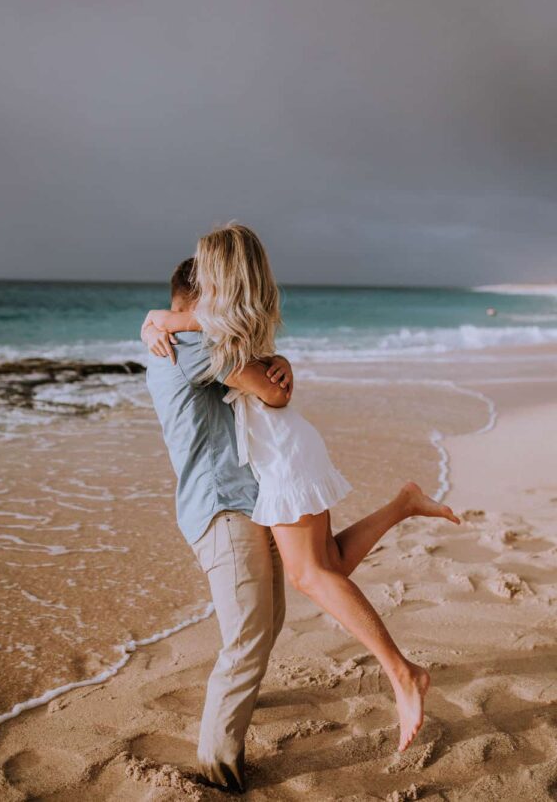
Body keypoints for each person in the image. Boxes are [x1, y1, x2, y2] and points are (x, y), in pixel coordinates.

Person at [143, 225, 461, 756]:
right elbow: (262, 379)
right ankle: (403, 506)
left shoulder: (203, 336)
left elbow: (267, 385)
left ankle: (402, 674)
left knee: (307, 582)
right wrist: (166, 321)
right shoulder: (189, 345)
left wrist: (163, 318)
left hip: (268, 474)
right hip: (237, 495)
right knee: (314, 577)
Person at [143, 257, 292, 793]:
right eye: (222, 296)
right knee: (249, 635)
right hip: (221, 507)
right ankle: (217, 767)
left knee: (268, 622)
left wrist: (277, 359)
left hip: (245, 501)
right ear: (199, 303)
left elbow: (257, 365)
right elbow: (273, 393)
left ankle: (241, 699)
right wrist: (277, 370)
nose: (232, 304)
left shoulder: (185, 339)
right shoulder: (186, 347)